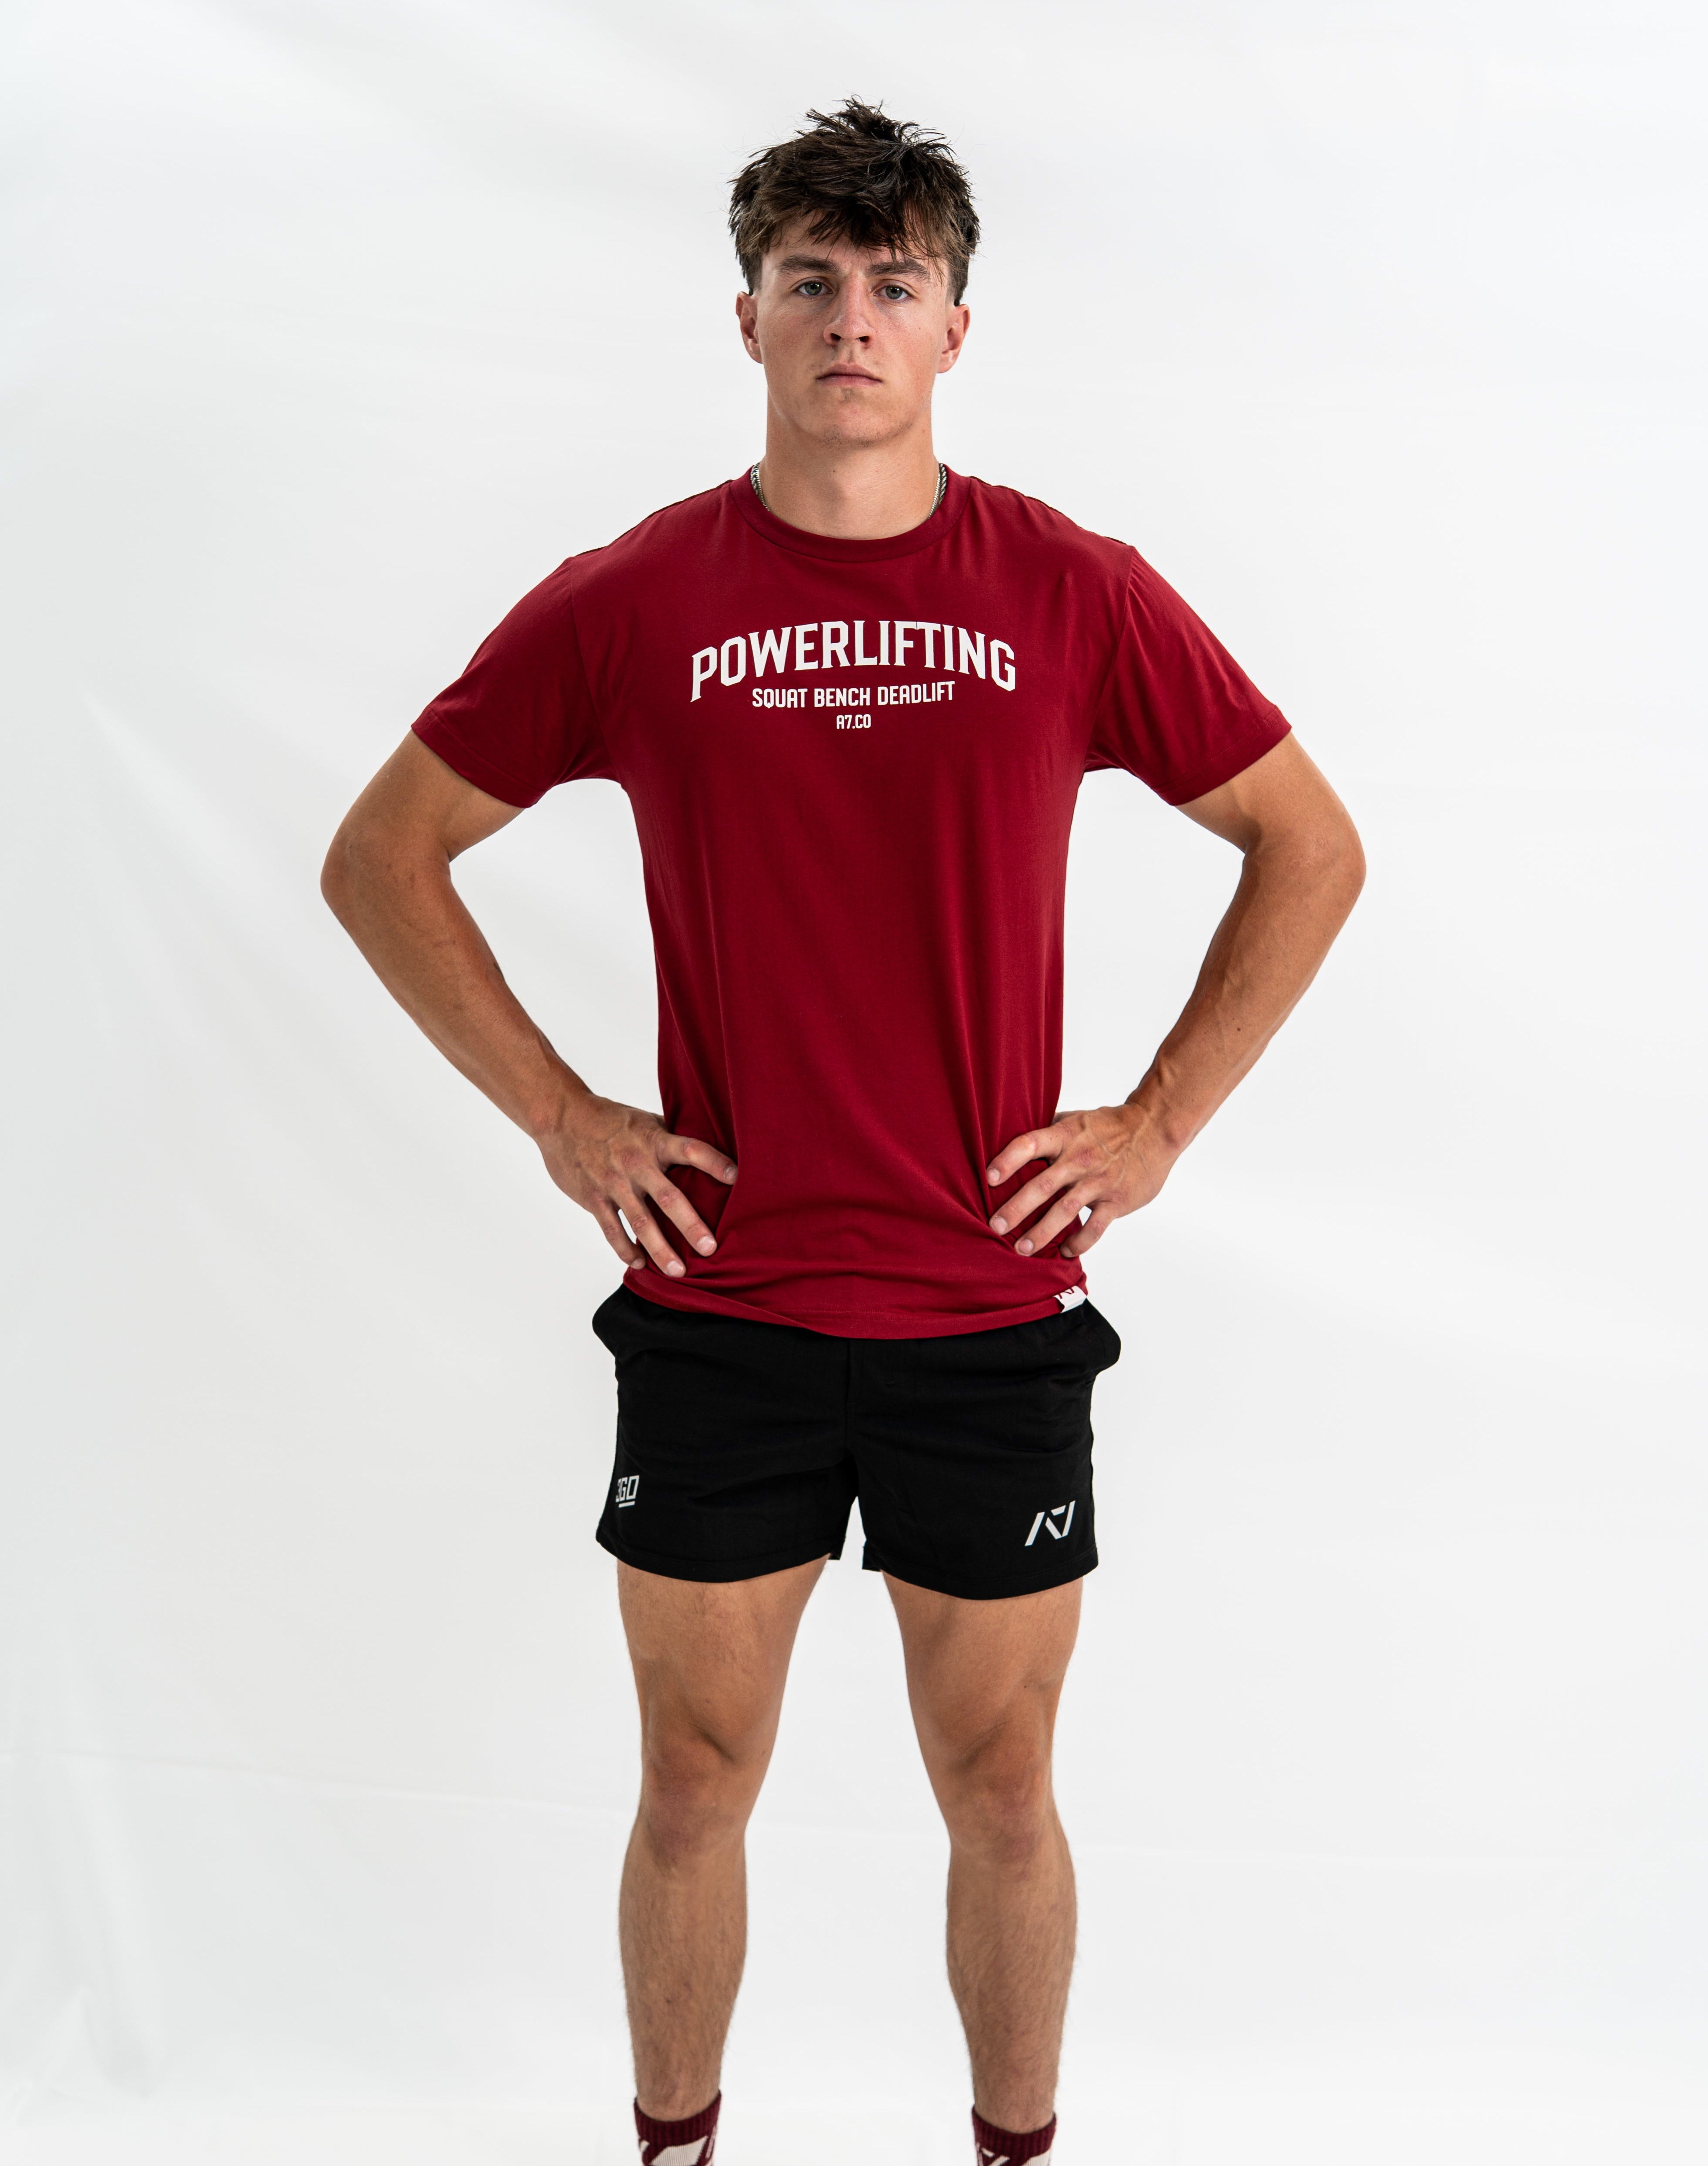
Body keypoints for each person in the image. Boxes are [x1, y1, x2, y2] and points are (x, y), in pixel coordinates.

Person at [322, 97, 1364, 2166]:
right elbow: (384, 856)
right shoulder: (636, 597)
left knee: (999, 1787)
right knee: (696, 1776)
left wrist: (1154, 1124)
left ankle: (1013, 2151)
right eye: (814, 279)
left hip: (990, 1304)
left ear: (957, 330)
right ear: (747, 319)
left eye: (895, 282)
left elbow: (1306, 847)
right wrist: (560, 1116)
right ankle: (676, 2146)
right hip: (723, 1303)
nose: (853, 320)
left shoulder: (1072, 590)